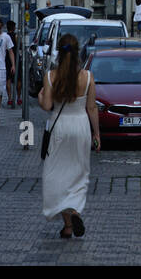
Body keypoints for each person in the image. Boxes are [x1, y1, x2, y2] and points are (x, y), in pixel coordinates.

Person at [39, 33, 100, 238]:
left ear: (58, 51)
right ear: (78, 52)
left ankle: (67, 223)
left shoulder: (50, 76)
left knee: (56, 176)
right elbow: (92, 108)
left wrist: (40, 96)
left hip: (60, 127)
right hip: (81, 127)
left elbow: (47, 105)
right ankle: (74, 214)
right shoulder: (88, 77)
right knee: (78, 174)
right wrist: (97, 135)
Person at [5, 20, 19, 108]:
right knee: (18, 79)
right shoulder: (16, 36)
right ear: (13, 27)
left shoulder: (5, 36)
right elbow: (18, 47)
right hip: (16, 59)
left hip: (7, 59)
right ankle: (18, 97)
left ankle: (9, 98)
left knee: (8, 79)